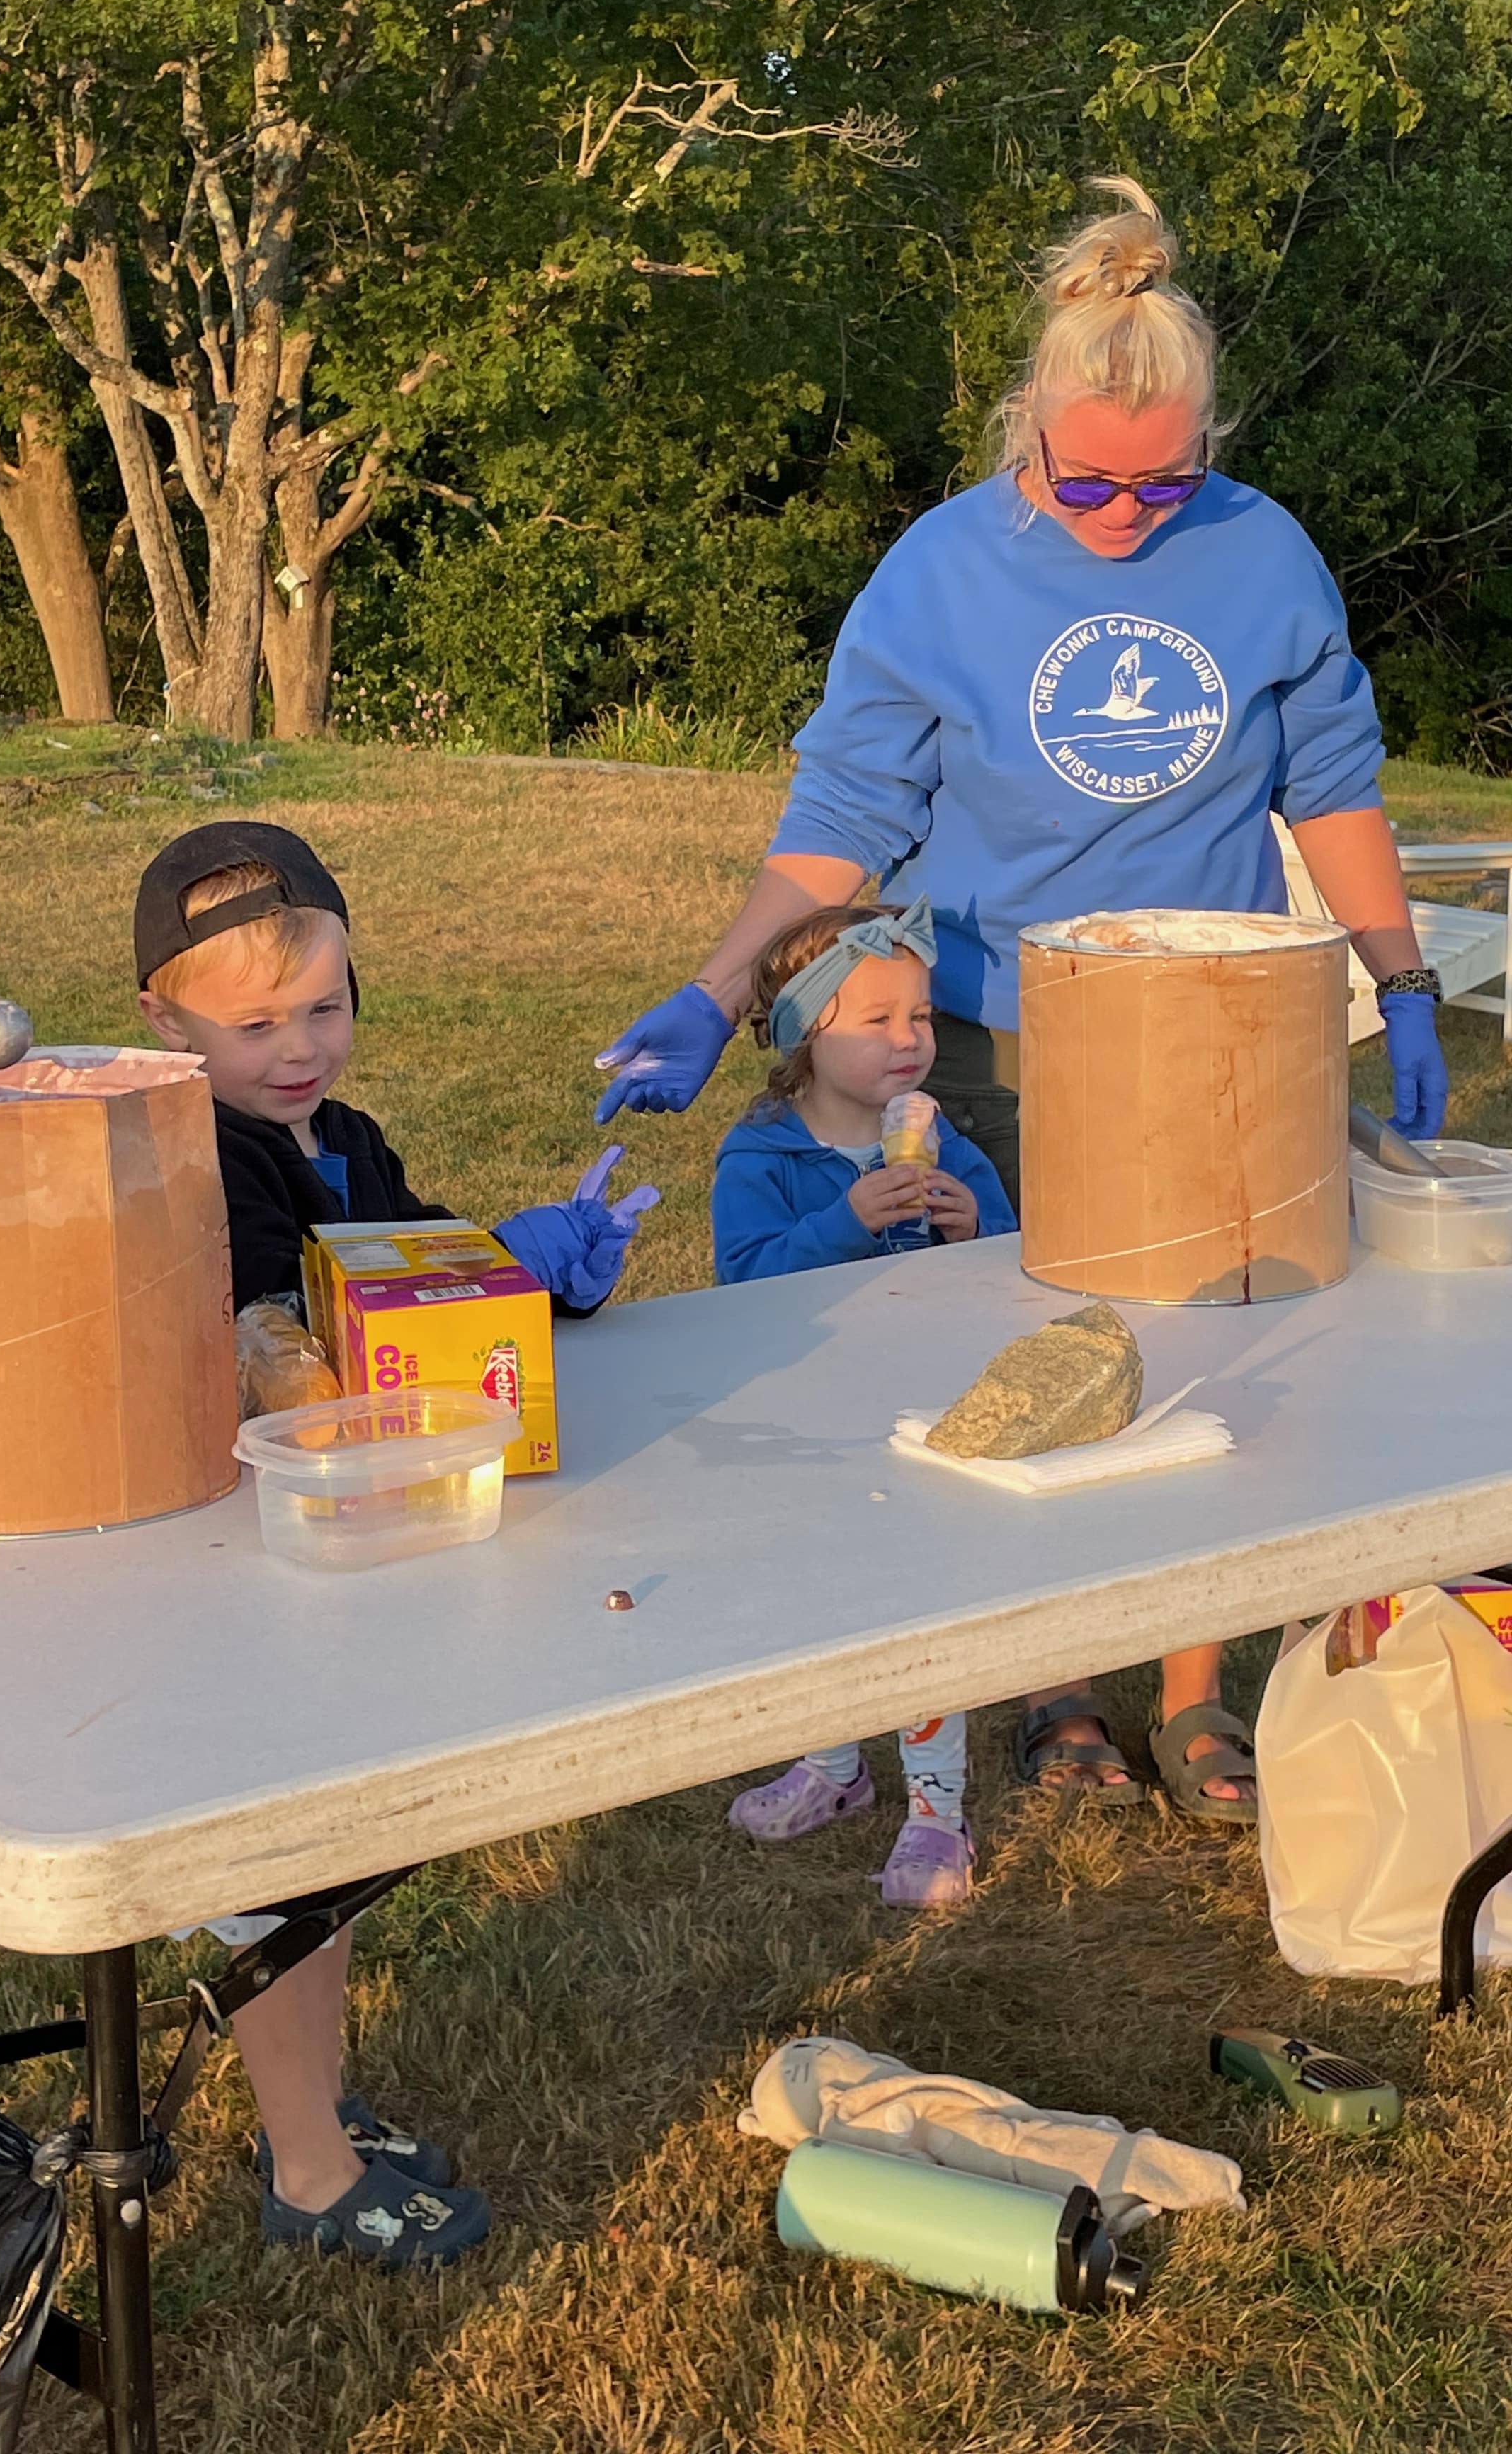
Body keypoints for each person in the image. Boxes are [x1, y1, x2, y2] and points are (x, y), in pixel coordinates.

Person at [596, 177, 1448, 1827]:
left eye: (1163, 481)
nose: (1127, 513)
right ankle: (1061, 1676)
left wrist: (1397, 975)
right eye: (1087, 482)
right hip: (991, 1035)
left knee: (1221, 1347)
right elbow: (844, 819)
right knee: (1038, 1351)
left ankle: (1195, 1690)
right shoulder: (938, 577)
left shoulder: (1264, 554)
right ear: (1024, 432)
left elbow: (1334, 783)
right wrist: (720, 988)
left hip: (1215, 1034)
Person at [133, 820, 654, 2265]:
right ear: (162, 1026)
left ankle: (324, 2106)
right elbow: (276, 1344)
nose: (297, 1050)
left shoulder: (340, 1143)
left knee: (337, 1851)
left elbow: (434, 1280)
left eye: (325, 1008)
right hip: (248, 1574)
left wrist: (537, 1275)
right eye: (253, 1026)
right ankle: (306, 2168)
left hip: (343, 1565)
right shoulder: (199, 1162)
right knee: (287, 1867)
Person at [713, 899, 1015, 1908]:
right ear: (803, 1034)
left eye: (921, 1017)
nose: (910, 1040)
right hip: (805, 1422)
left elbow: (1012, 1270)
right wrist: (843, 1223)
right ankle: (831, 1763)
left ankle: (937, 1814)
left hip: (923, 1415)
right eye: (876, 1020)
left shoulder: (953, 1147)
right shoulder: (761, 1159)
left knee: (916, 1604)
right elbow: (745, 1285)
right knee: (817, 1595)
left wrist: (977, 1228)